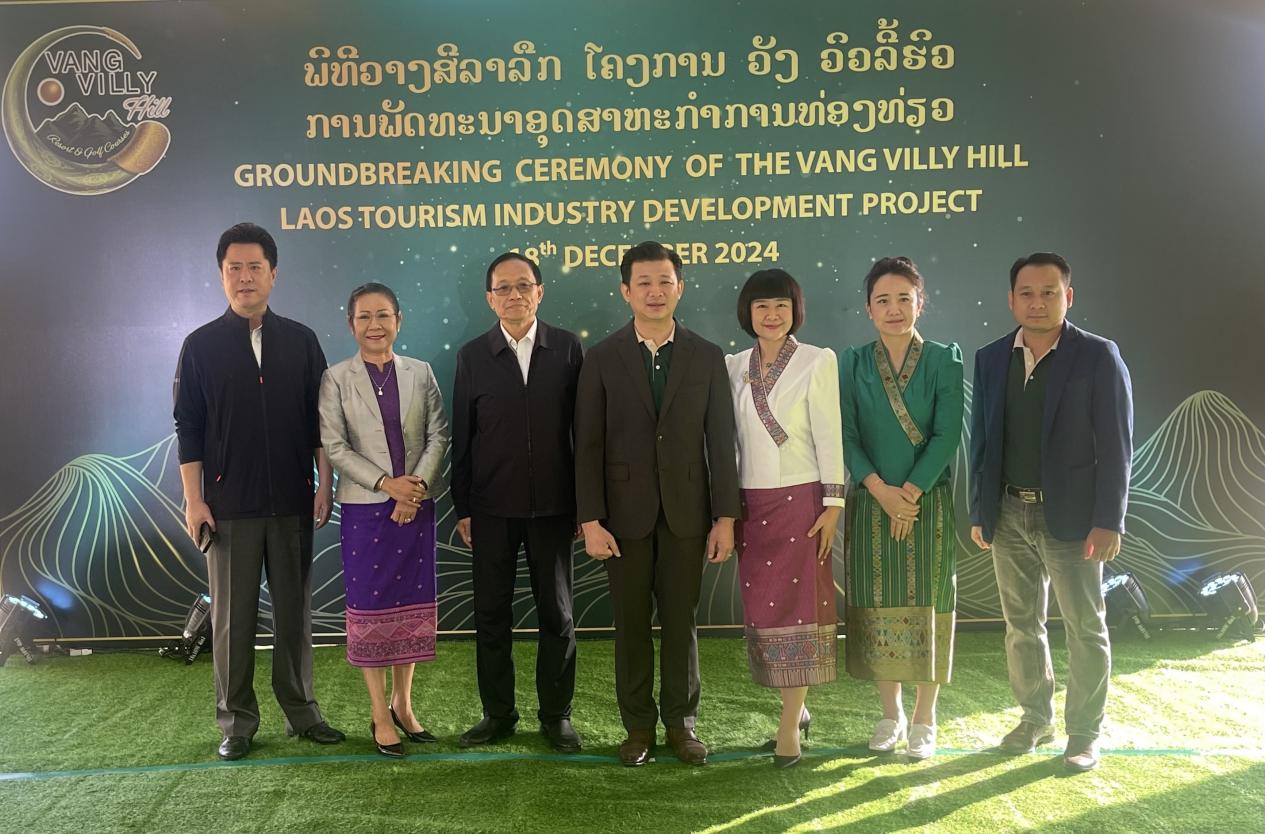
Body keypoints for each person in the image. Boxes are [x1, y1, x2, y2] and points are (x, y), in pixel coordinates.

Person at [174, 222, 345, 761]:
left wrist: (324, 483)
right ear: (221, 275)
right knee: (232, 621)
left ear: (273, 273)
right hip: (229, 508)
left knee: (294, 615)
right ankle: (236, 722)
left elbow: (322, 422)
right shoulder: (200, 346)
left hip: (293, 501)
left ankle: (303, 712)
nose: (245, 277)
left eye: (255, 267)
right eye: (235, 268)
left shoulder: (301, 341)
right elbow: (189, 428)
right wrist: (195, 500)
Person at [574, 241, 741, 767]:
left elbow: (722, 442)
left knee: (680, 621)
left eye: (664, 281)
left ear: (680, 287)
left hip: (688, 514)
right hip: (622, 518)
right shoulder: (602, 358)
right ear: (625, 291)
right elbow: (587, 445)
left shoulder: (706, 355)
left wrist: (726, 518)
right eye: (643, 282)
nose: (654, 291)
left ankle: (681, 724)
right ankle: (638, 728)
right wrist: (590, 520)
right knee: (629, 625)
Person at [969, 252, 1133, 773]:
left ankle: (1084, 732)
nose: (1037, 302)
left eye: (1049, 292)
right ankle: (1034, 718)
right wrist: (981, 509)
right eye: (1026, 293)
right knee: (1021, 625)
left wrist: (1109, 519)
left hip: (1075, 520)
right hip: (1008, 513)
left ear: (1069, 296)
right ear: (1011, 299)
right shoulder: (991, 357)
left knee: (1085, 627)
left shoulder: (1098, 356)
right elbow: (983, 441)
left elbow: (1117, 445)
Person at [451, 253, 584, 753]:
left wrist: (585, 505)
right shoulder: (472, 356)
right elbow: (463, 436)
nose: (514, 295)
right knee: (491, 617)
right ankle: (498, 714)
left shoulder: (567, 349)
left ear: (540, 292)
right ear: (490, 299)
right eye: (503, 288)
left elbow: (585, 433)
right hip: (490, 508)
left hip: (555, 508)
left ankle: (556, 716)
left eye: (523, 286)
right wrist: (463, 507)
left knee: (558, 617)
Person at [318, 282, 449, 758]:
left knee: (409, 608)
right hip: (364, 510)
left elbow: (438, 434)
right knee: (371, 610)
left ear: (398, 320)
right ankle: (379, 714)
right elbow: (334, 446)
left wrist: (414, 488)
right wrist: (386, 484)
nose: (375, 325)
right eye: (364, 317)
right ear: (351, 324)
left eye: (383, 315)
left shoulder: (421, 372)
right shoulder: (335, 378)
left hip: (416, 504)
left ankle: (404, 705)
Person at [841, 256, 963, 761]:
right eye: (883, 300)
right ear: (868, 309)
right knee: (878, 606)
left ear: (920, 302)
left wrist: (908, 493)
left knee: (930, 604)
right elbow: (846, 435)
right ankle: (890, 713)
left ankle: (925, 717)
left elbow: (947, 434)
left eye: (904, 299)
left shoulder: (943, 359)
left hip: (926, 503)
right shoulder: (851, 363)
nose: (894, 309)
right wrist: (881, 491)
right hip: (872, 503)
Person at [726, 269, 845, 769]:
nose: (772, 315)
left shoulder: (817, 360)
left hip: (802, 501)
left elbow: (830, 433)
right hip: (750, 506)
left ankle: (789, 723)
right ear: (747, 313)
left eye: (781, 305)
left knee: (799, 610)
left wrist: (833, 504)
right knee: (766, 614)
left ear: (795, 310)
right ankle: (796, 709)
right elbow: (728, 442)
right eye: (762, 306)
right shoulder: (733, 365)